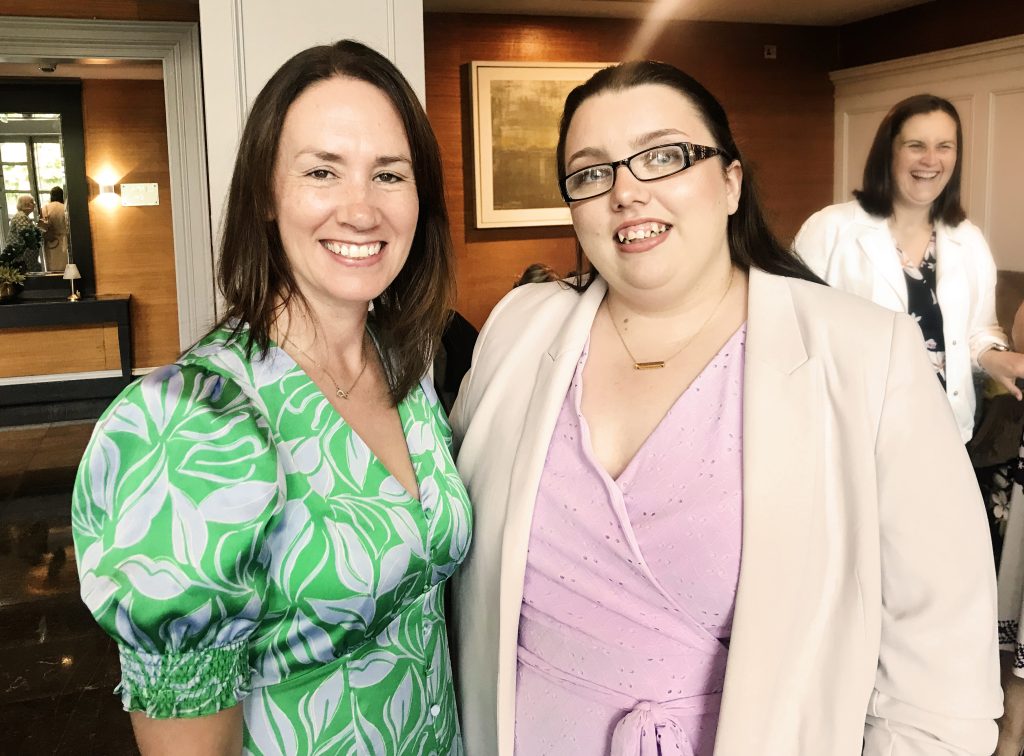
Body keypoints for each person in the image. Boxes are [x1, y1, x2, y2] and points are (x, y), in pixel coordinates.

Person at [450, 61, 1000, 755]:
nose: (626, 191)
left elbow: (942, 654)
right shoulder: (519, 331)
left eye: (664, 156)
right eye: (592, 172)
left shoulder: (864, 354)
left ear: (731, 182)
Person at [72, 40, 471, 755]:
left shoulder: (404, 363)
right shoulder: (189, 424)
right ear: (265, 192)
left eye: (389, 174)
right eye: (322, 171)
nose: (361, 209)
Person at [794, 94, 1024, 444]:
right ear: (889, 153)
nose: (931, 160)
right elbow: (788, 328)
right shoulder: (831, 229)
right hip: (854, 433)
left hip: (945, 429)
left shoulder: (968, 240)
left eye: (944, 146)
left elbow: (978, 330)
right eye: (916, 145)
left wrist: (994, 358)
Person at [7, 193, 41, 272]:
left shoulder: (23, 216)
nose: (34, 204)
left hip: (25, 259)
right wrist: (41, 230)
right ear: (26, 205)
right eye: (32, 202)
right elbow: (26, 233)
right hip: (22, 259)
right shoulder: (21, 216)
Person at [39, 186, 69, 272]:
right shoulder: (65, 208)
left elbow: (41, 226)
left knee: (52, 266)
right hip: (64, 239)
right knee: (65, 265)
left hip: (50, 240)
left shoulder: (45, 208)